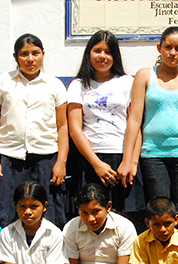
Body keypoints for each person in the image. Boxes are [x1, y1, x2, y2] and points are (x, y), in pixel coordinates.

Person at [117, 26, 178, 236]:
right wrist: (127, 158)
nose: (172, 52)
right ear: (159, 48)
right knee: (159, 211)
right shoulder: (144, 76)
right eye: (168, 47)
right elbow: (134, 120)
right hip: (153, 155)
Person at [0, 33, 68, 228]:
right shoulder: (2, 83)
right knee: (6, 213)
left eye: (35, 53)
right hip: (9, 158)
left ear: (43, 54)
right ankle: (8, 258)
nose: (30, 59)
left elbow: (63, 127)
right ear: (16, 57)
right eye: (24, 54)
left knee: (49, 215)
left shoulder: (54, 85)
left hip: (46, 158)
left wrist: (61, 162)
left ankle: (49, 258)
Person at [67, 30, 142, 213]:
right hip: (90, 159)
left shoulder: (127, 82)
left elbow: (135, 123)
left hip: (121, 157)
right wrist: (96, 163)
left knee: (124, 217)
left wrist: (130, 162)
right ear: (89, 54)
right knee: (91, 214)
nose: (103, 56)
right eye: (97, 51)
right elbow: (75, 129)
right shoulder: (78, 85)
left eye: (108, 52)